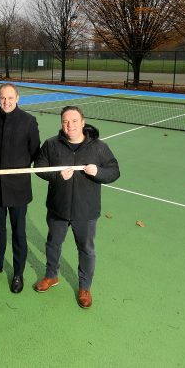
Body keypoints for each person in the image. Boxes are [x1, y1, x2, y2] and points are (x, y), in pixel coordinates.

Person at [33, 105, 120, 309]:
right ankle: (51, 276)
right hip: (58, 208)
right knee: (53, 244)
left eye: (73, 121)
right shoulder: (52, 145)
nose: (69, 125)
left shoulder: (99, 147)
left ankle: (85, 287)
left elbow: (114, 171)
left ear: (82, 122)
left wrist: (98, 171)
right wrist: (56, 175)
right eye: (65, 121)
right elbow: (39, 167)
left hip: (86, 212)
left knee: (86, 249)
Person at [0, 82, 40, 294]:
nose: (6, 102)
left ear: (17, 98)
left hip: (18, 188)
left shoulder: (29, 121)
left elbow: (33, 151)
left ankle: (19, 272)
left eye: (10, 98)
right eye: (3, 98)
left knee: (18, 232)